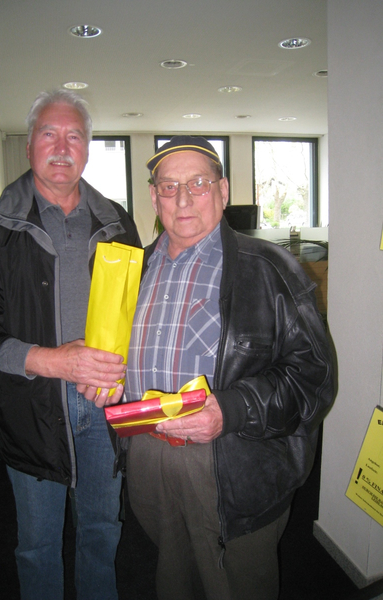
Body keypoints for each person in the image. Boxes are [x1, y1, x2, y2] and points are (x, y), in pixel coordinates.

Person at [0, 89, 141, 600]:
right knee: (37, 546)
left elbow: (138, 313)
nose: (61, 146)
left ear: (88, 149)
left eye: (74, 136)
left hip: (104, 408)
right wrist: (49, 360)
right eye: (49, 134)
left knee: (103, 533)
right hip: (31, 409)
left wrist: (125, 371)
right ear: (30, 144)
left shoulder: (118, 223)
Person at [124, 136, 334, 600]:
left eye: (198, 183)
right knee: (171, 576)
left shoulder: (271, 268)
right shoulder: (134, 271)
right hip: (148, 456)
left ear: (222, 191)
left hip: (233, 461)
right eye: (169, 185)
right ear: (154, 197)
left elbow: (313, 377)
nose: (182, 198)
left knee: (237, 584)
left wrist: (231, 409)